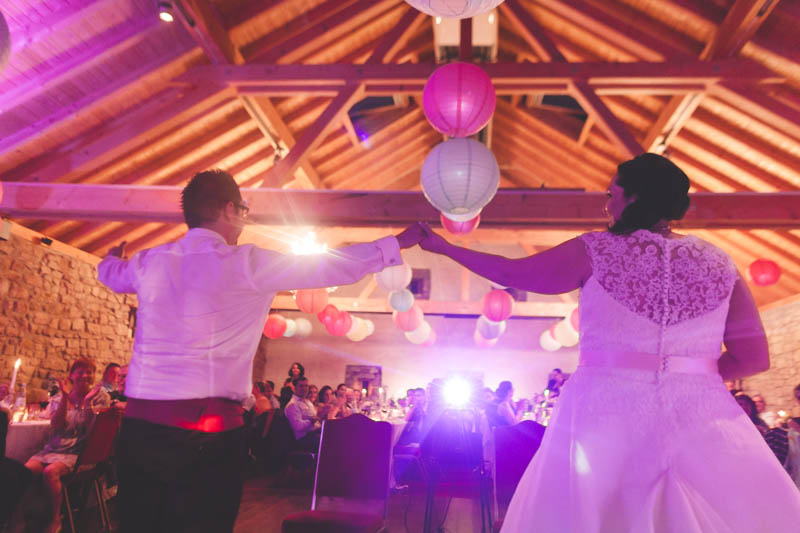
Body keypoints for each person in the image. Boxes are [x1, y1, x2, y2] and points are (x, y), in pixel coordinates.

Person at [418, 153, 800, 532]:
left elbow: (512, 272)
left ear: (633, 197)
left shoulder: (597, 251)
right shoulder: (721, 263)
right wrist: (690, 373)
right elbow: (753, 359)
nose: (607, 203)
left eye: (611, 193)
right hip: (700, 415)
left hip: (606, 411)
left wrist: (446, 248)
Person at [96, 169, 424, 533]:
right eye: (243, 210)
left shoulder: (148, 262)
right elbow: (330, 265)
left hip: (140, 430)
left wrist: (109, 259)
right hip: (208, 432)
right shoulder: (247, 263)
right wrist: (394, 245)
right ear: (228, 209)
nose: (243, 220)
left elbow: (111, 273)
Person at [25, 358, 103, 533]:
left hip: (79, 452)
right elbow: (57, 425)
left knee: (50, 472)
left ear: (93, 375)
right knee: (26, 470)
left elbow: (90, 430)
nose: (85, 375)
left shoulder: (99, 397)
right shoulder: (59, 398)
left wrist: (88, 402)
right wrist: (65, 398)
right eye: (80, 371)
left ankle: (54, 519)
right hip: (53, 448)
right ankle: (23, 517)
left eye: (89, 371)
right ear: (71, 375)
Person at [284, 378, 321, 452]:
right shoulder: (293, 404)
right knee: (328, 441)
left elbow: (316, 420)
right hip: (303, 439)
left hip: (314, 433)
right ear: (294, 388)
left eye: (306, 386)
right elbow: (298, 426)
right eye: (301, 386)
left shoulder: (308, 402)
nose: (304, 389)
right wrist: (311, 421)